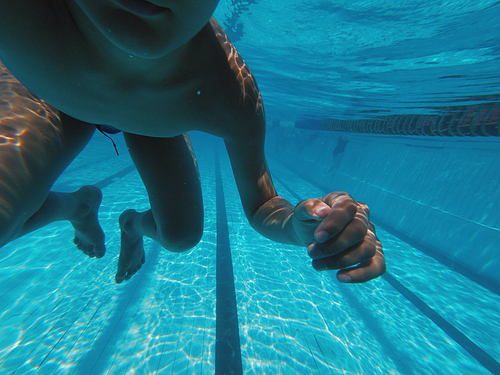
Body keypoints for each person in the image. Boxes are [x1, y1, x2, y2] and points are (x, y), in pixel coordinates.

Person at [0, 0, 385, 284]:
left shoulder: (229, 93)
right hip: (47, 94)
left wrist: (299, 227)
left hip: (148, 120)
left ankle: (132, 225)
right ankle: (75, 206)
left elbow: (264, 203)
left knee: (181, 235)